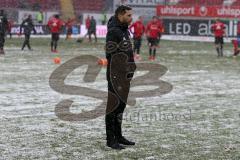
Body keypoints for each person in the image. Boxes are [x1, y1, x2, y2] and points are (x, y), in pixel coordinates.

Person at [105, 5, 136, 150]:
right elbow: (110, 54)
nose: (131, 18)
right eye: (129, 15)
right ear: (120, 15)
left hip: (125, 75)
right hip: (116, 75)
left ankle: (119, 136)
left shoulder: (124, 30)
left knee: (121, 107)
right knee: (113, 107)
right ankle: (111, 140)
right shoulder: (113, 31)